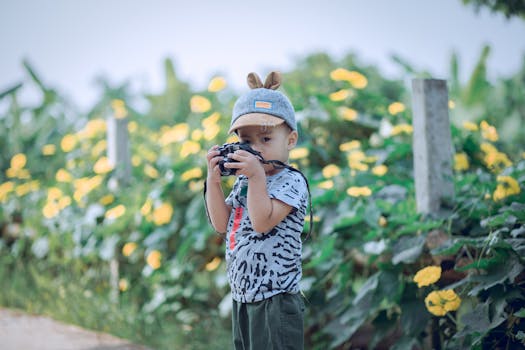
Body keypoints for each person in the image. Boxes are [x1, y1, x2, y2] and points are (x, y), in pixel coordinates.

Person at [205, 71, 308, 350]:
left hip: (275, 299)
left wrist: (256, 178)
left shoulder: (292, 181)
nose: (256, 149)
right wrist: (213, 181)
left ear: (290, 140)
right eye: (247, 141)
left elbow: (263, 222)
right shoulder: (244, 181)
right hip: (243, 295)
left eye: (266, 139)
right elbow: (222, 224)